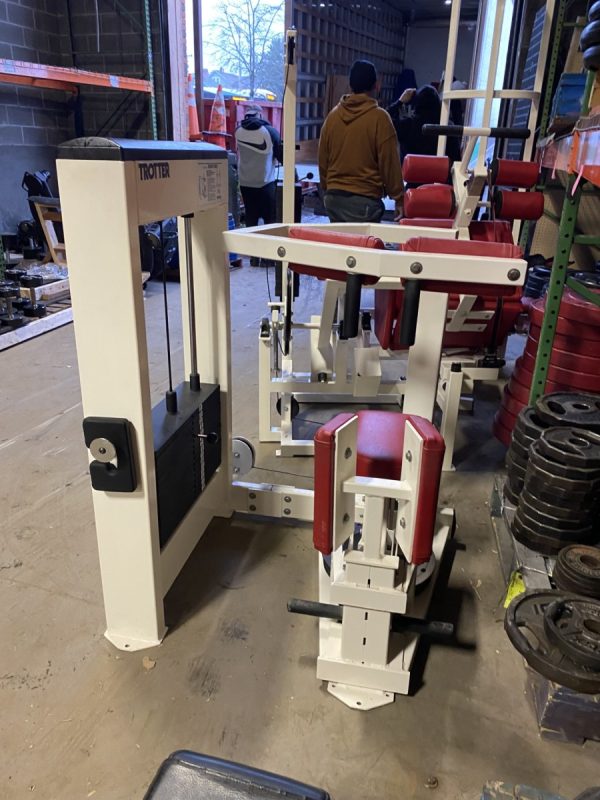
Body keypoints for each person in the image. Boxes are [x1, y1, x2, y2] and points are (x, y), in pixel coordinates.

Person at [318, 60, 403, 223]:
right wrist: (399, 197)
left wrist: (328, 188)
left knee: (339, 246)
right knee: (363, 246)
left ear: (350, 86)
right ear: (376, 85)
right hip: (365, 202)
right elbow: (389, 162)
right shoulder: (380, 118)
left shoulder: (332, 117)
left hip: (333, 200)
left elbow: (323, 159)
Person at [235, 103, 283, 265]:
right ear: (260, 116)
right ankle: (268, 260)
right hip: (265, 183)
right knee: (269, 222)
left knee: (251, 220)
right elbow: (283, 156)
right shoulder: (269, 132)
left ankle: (254, 259)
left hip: (246, 183)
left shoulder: (238, 132)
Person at [387, 84, 461, 164]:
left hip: (409, 175)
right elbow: (456, 160)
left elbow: (384, 120)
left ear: (417, 102)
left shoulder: (407, 125)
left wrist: (400, 101)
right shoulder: (447, 127)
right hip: (438, 175)